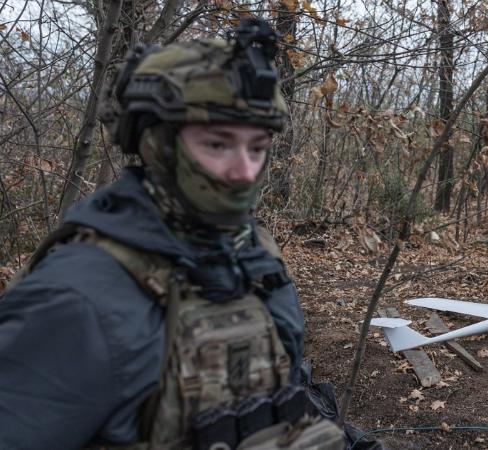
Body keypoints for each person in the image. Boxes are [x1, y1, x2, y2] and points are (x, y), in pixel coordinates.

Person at [0, 18, 342, 449]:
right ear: (158, 144)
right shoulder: (76, 298)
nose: (244, 172)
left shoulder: (254, 253)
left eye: (257, 148)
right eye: (217, 144)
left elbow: (279, 403)